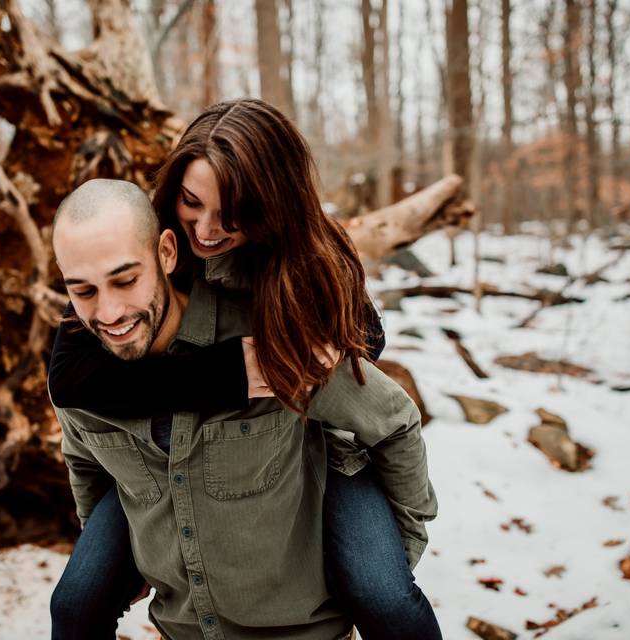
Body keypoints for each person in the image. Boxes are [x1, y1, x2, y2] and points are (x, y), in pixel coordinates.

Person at [49, 99, 440, 640]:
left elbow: (368, 351)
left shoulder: (302, 265)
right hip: (168, 454)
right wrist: (226, 374)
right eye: (191, 202)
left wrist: (311, 357)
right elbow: (67, 379)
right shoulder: (131, 260)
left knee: (383, 592)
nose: (206, 230)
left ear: (272, 207)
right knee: (75, 603)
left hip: (314, 441)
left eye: (232, 212)